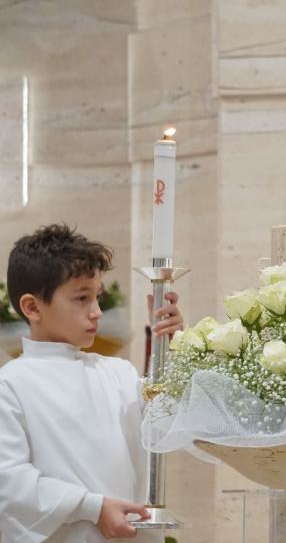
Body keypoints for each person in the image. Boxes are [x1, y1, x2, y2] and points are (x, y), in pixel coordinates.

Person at [0, 224, 183, 542]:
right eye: (82, 299)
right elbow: (9, 481)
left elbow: (170, 423)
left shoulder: (118, 373)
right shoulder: (10, 385)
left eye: (97, 298)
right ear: (32, 307)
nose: (97, 313)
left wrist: (172, 343)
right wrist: (93, 508)